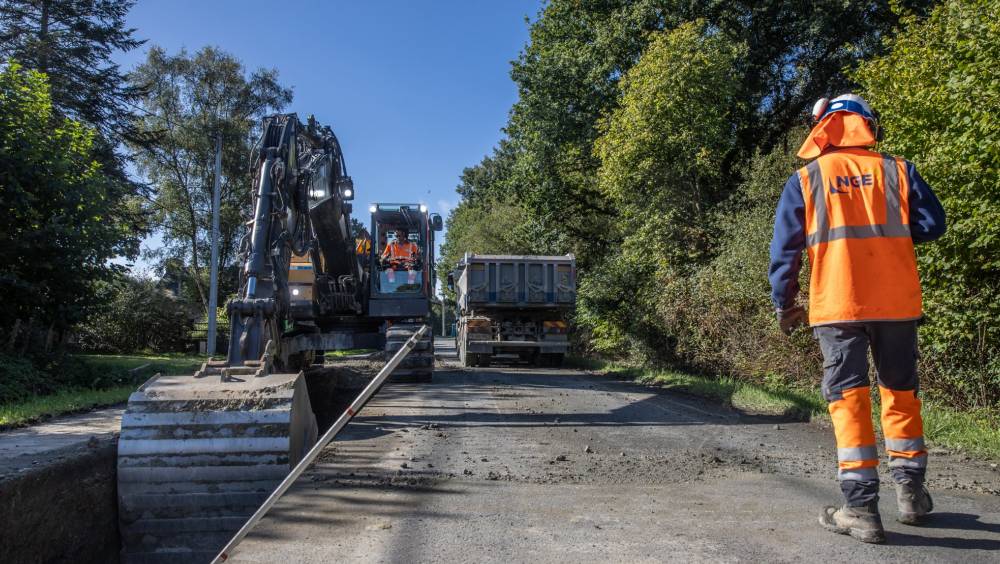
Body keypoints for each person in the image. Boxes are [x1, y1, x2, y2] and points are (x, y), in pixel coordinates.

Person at [768, 94, 946, 543]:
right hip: (896, 304)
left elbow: (785, 253)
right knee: (900, 393)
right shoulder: (898, 170)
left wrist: (784, 304)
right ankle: (910, 493)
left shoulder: (807, 179)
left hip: (838, 304)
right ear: (868, 126)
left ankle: (861, 507)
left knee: (848, 399)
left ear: (822, 129)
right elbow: (932, 225)